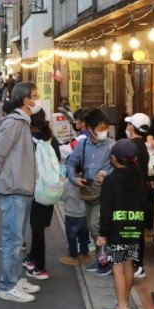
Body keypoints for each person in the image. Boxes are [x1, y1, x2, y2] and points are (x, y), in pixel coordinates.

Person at [0, 82, 42, 303]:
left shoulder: (23, 122)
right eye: (35, 96)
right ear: (25, 100)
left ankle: (15, 279)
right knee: (12, 238)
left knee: (18, 238)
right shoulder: (15, 123)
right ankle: (7, 285)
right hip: (13, 188)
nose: (38, 100)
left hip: (22, 186)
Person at [97, 139, 148, 309]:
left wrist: (103, 234)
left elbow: (106, 209)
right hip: (135, 227)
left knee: (117, 267)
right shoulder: (140, 177)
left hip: (117, 229)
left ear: (115, 159)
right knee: (129, 264)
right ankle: (124, 302)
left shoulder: (111, 180)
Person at [65, 108, 114, 277]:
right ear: (91, 129)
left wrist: (108, 176)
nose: (104, 131)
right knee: (90, 226)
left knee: (95, 225)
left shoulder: (111, 145)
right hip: (87, 190)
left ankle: (105, 260)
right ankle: (102, 258)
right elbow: (70, 163)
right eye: (100, 128)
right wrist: (73, 178)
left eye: (105, 128)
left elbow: (120, 169)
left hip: (105, 192)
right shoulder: (82, 144)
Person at [23, 109, 60, 281]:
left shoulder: (28, 139)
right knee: (38, 227)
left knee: (36, 228)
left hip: (35, 189)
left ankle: (40, 266)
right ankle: (32, 257)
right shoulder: (51, 138)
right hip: (49, 188)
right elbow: (58, 160)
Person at [124, 113, 152, 279]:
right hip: (140, 192)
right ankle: (138, 264)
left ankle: (136, 265)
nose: (127, 128)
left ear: (132, 127)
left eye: (129, 125)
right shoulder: (141, 145)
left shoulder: (131, 146)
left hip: (132, 193)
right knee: (136, 230)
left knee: (132, 230)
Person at [59, 176, 91, 266]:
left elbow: (62, 197)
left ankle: (74, 257)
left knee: (71, 237)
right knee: (83, 236)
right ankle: (85, 255)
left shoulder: (68, 183)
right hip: (84, 213)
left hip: (72, 214)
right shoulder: (86, 180)